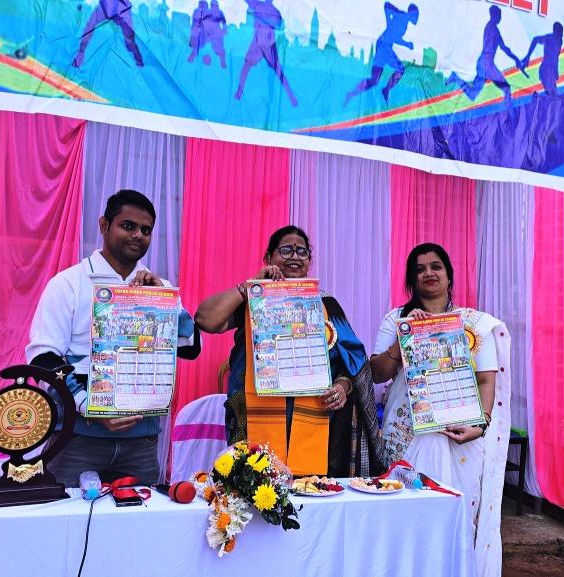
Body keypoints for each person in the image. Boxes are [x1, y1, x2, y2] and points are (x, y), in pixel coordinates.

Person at [26, 190, 200, 486]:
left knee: (141, 515)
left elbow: (190, 347)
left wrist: (165, 301)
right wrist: (87, 405)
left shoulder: (158, 287)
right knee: (70, 514)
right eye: (128, 226)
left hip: (142, 440)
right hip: (78, 437)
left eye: (146, 230)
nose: (138, 235)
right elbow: (42, 359)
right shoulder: (68, 283)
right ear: (104, 225)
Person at [369, 243, 511, 577]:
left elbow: (486, 381)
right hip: (407, 435)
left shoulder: (474, 324)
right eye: (419, 269)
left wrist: (481, 425)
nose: (428, 273)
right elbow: (376, 374)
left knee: (457, 517)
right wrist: (404, 337)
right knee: (407, 518)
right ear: (411, 280)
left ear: (449, 276)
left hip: (462, 437)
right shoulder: (397, 319)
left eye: (436, 267)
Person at [194, 226, 382, 477]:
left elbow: (353, 362)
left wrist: (342, 386)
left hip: (316, 420)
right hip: (253, 417)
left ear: (309, 262)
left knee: (312, 490)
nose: (294, 256)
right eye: (286, 250)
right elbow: (205, 320)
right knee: (256, 488)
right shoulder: (252, 298)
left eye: (302, 252)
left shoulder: (325, 304)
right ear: (268, 257)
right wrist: (250, 286)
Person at [447, 5, 528, 105]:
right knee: (506, 88)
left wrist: (515, 59)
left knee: (473, 94)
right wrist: (516, 59)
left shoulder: (490, 27)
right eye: (499, 15)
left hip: (482, 62)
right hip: (487, 64)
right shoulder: (493, 29)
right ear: (495, 15)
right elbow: (503, 48)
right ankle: (508, 110)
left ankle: (456, 78)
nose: (500, 18)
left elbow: (503, 47)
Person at [344, 2, 419, 106]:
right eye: (417, 15)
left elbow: (394, 36)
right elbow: (387, 5)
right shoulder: (402, 16)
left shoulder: (404, 21)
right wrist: (389, 21)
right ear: (413, 13)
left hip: (383, 44)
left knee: (374, 80)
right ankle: (386, 90)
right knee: (400, 69)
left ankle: (352, 93)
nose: (417, 19)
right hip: (384, 46)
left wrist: (406, 43)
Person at [234, 0, 298, 106]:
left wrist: (266, 19)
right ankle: (239, 93)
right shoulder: (260, 6)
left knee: (277, 71)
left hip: (268, 45)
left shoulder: (272, 11)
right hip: (258, 44)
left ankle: (291, 96)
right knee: (246, 67)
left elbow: (279, 26)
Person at [72, 0, 145, 68]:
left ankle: (138, 58)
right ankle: (79, 57)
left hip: (121, 9)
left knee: (129, 39)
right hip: (106, 8)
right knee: (90, 25)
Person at [523, 21, 564, 96]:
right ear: (555, 31)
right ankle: (537, 97)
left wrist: (556, 70)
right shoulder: (549, 38)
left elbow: (556, 57)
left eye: (561, 32)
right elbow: (535, 39)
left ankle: (539, 97)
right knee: (553, 94)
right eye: (560, 32)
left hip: (550, 70)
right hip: (546, 69)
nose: (561, 34)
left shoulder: (560, 41)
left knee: (553, 94)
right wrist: (527, 56)